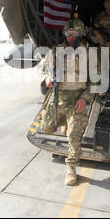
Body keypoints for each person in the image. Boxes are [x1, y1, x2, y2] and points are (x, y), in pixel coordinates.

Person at [38, 19, 96, 186]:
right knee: (47, 128)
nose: (71, 37)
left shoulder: (91, 54)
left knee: (73, 135)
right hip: (58, 96)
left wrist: (85, 98)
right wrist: (46, 78)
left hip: (77, 98)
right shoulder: (57, 51)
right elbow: (42, 67)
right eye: (68, 34)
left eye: (74, 34)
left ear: (81, 34)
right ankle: (65, 122)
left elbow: (97, 80)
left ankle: (71, 168)